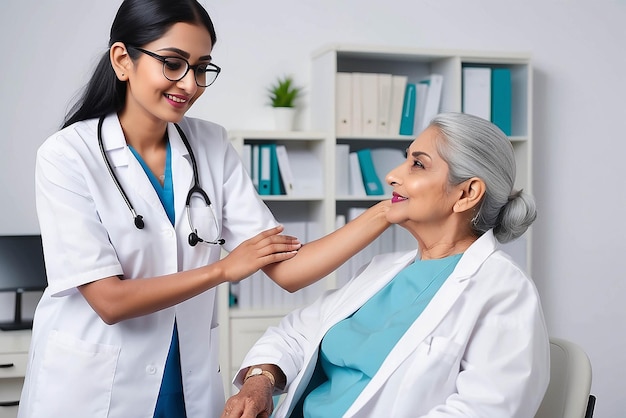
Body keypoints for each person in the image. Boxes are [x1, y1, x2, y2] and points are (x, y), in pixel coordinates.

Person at [17, 1, 391, 417]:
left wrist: (385, 212)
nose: (190, 85)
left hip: (183, 382)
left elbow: (288, 270)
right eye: (173, 63)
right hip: (92, 388)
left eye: (201, 68)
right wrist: (223, 270)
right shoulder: (67, 155)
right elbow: (109, 301)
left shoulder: (210, 145)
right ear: (123, 60)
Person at [223, 112, 550, 418]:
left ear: (467, 193)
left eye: (418, 165)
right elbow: (293, 335)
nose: (392, 175)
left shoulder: (504, 290)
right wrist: (260, 380)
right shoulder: (383, 270)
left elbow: (484, 410)